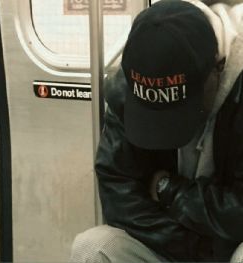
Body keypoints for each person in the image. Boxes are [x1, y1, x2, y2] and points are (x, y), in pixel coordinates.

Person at [69, 0, 243, 262]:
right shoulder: (135, 76)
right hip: (185, 242)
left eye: (181, 111)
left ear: (216, 69)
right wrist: (195, 250)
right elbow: (119, 192)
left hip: (232, 247)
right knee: (93, 247)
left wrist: (169, 190)